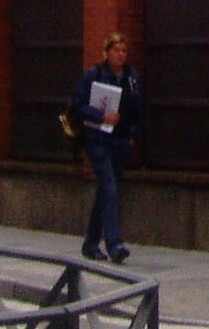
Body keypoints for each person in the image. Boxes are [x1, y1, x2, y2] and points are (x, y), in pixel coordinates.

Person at [72, 31, 145, 264]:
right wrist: (101, 116)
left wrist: (133, 133)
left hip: (121, 141)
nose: (120, 55)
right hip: (98, 140)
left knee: (105, 191)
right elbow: (77, 106)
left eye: (124, 51)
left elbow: (139, 107)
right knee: (110, 189)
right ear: (107, 52)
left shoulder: (131, 78)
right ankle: (115, 244)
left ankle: (91, 243)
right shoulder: (94, 75)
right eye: (116, 50)